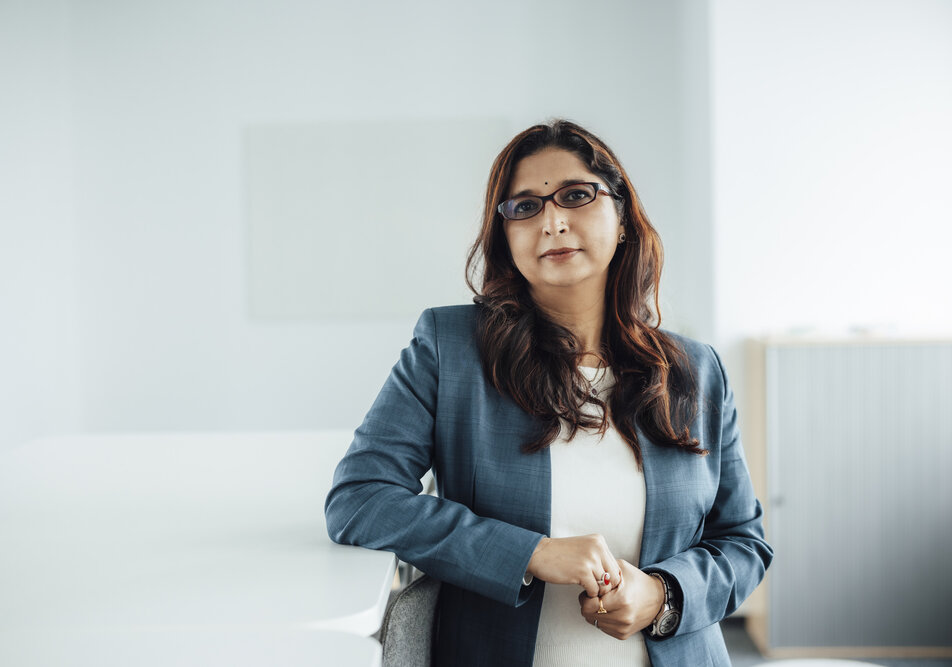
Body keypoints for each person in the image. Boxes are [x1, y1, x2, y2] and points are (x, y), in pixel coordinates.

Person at [324, 119, 772, 666]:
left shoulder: (695, 371)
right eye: (524, 207)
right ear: (505, 236)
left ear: (624, 216)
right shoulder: (450, 348)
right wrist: (531, 553)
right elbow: (360, 499)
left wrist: (661, 594)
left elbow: (744, 543)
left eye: (576, 196)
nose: (553, 222)